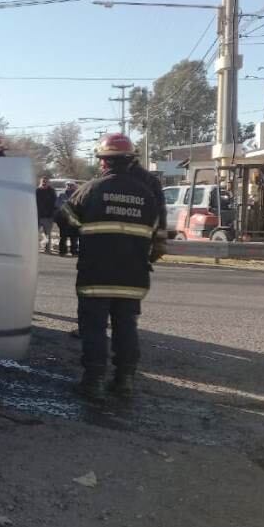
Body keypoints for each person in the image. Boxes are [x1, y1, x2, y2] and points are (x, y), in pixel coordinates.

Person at [56, 133, 163, 401]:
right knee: (126, 327)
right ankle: (124, 380)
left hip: (96, 273)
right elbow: (157, 236)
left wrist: (84, 230)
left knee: (93, 328)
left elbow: (65, 217)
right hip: (133, 276)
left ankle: (93, 382)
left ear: (103, 162)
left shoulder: (91, 189)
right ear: (130, 161)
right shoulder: (147, 194)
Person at [55, 181, 80, 256]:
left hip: (74, 219)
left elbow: (80, 205)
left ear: (75, 186)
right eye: (68, 185)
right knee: (63, 236)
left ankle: (74, 251)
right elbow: (57, 204)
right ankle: (62, 251)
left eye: (71, 185)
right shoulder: (61, 195)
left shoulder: (78, 195)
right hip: (64, 219)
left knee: (74, 237)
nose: (69, 186)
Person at [35, 177, 57, 254]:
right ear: (40, 182)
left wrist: (52, 214)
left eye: (45, 182)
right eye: (42, 182)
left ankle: (47, 249)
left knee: (47, 234)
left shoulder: (52, 191)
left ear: (48, 183)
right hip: (37, 216)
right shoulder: (37, 191)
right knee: (34, 234)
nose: (44, 183)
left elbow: (55, 203)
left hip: (48, 217)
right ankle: (34, 249)